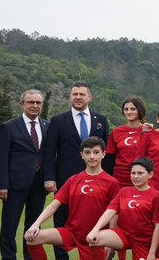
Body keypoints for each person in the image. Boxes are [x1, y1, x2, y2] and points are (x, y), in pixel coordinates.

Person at [23, 136, 119, 260]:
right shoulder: (74, 180)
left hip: (95, 238)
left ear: (104, 154)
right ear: (81, 155)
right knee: (32, 239)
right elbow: (54, 204)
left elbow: (114, 213)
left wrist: (110, 243)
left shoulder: (111, 182)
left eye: (96, 152)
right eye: (87, 153)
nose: (92, 157)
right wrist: (34, 225)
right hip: (71, 232)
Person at [0, 89, 57, 260]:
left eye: (38, 103)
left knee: (34, 225)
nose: (35, 106)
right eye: (31, 102)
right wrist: (2, 184)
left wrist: (49, 178)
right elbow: (1, 157)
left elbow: (49, 156)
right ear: (22, 104)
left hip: (39, 185)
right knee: (9, 224)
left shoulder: (47, 126)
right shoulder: (9, 127)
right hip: (15, 183)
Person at [82, 158, 159, 260]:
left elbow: (158, 227)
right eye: (133, 173)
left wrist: (151, 253)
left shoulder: (156, 195)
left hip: (144, 241)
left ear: (150, 175)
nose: (135, 176)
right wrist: (95, 229)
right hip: (124, 235)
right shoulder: (124, 191)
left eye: (140, 173)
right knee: (94, 239)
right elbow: (110, 212)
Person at [43, 81, 109, 236]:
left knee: (94, 216)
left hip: (96, 178)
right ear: (70, 97)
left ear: (89, 97)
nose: (78, 97)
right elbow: (50, 152)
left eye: (82, 94)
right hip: (65, 177)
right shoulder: (58, 121)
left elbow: (106, 151)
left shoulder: (100, 120)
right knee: (61, 217)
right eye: (75, 94)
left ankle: (96, 258)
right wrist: (49, 178)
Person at [104, 96, 148, 186]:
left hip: (141, 178)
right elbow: (109, 157)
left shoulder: (148, 131)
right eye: (126, 109)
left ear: (140, 110)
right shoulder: (117, 132)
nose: (129, 112)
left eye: (132, 109)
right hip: (119, 179)